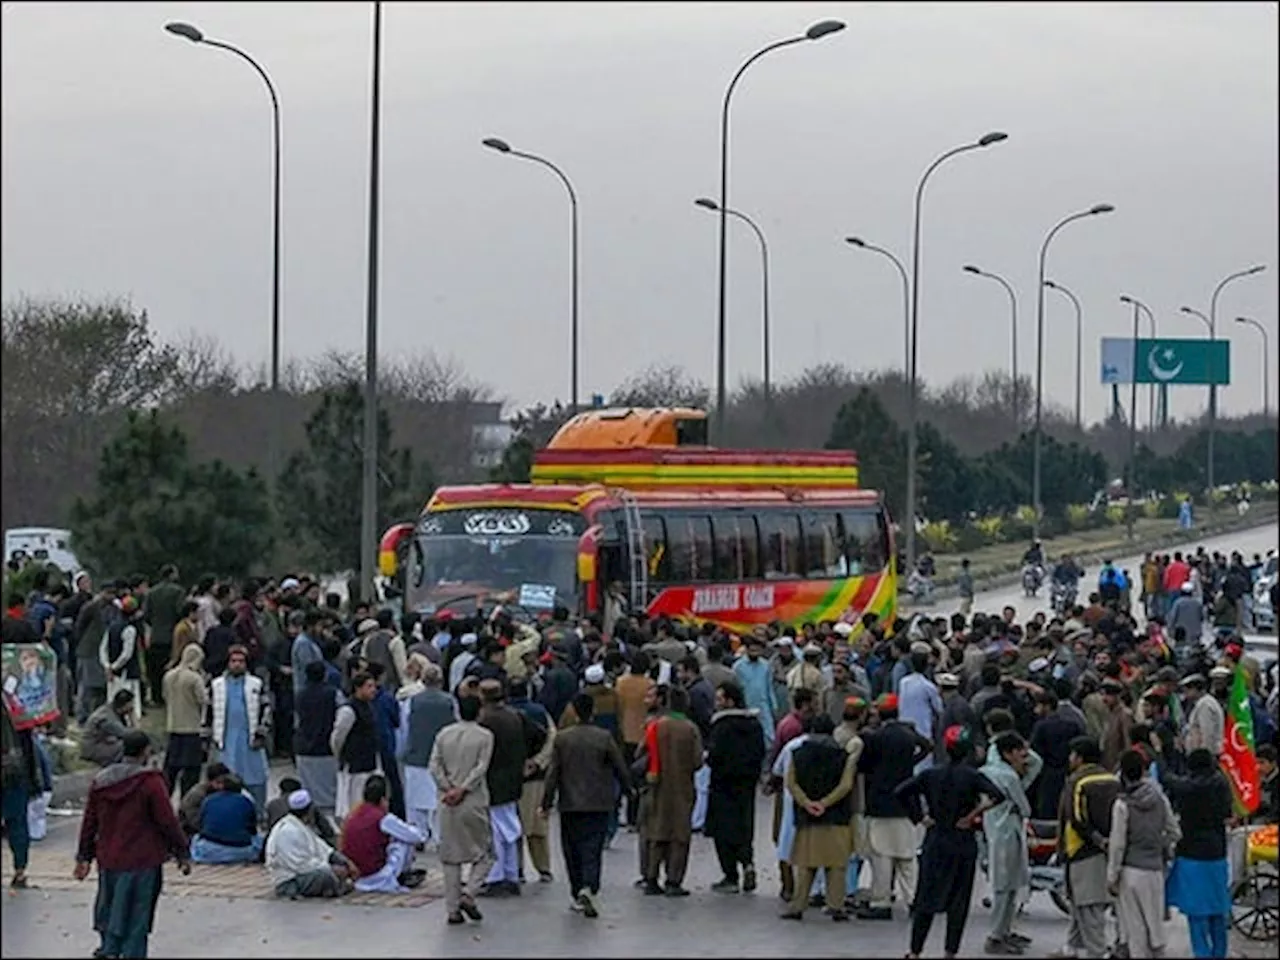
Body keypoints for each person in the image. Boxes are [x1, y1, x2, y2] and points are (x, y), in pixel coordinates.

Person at [73, 730, 191, 959]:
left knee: (110, 908)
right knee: (137, 916)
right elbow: (167, 821)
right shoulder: (150, 782)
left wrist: (83, 856)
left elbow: (90, 822)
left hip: (109, 859)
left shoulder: (101, 781)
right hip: (143, 859)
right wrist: (182, 852)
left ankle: (109, 949)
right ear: (145, 751)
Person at [897, 725, 1003, 960]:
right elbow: (998, 795)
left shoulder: (930, 774)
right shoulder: (973, 776)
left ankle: (915, 951)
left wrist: (920, 817)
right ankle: (950, 951)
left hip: (936, 838)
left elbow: (902, 791)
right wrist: (974, 813)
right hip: (962, 841)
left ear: (946, 747)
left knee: (926, 897)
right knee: (959, 899)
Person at [540, 691, 630, 917]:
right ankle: (590, 887)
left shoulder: (563, 738)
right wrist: (630, 790)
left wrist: (546, 802)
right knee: (593, 848)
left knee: (572, 849)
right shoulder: (604, 737)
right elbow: (619, 766)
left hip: (570, 803)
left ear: (574, 711)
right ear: (594, 711)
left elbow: (553, 773)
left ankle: (578, 889)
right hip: (599, 801)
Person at [857, 692, 933, 920]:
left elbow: (863, 766)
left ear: (880, 713)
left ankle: (881, 902)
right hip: (905, 802)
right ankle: (913, 900)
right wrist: (911, 762)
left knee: (881, 856)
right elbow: (928, 746)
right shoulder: (908, 735)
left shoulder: (874, 737)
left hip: (879, 801)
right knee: (907, 856)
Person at [779, 714, 857, 922]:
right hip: (836, 817)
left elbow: (790, 783)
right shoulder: (842, 755)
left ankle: (798, 905)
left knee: (806, 865)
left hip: (807, 818)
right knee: (837, 866)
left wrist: (807, 803)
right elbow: (846, 785)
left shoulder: (797, 754)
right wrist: (825, 803)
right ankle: (836, 905)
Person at [1161, 747, 1234, 959]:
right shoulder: (1222, 784)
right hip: (1217, 853)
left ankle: (1202, 953)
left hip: (1192, 855)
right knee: (1217, 910)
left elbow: (1169, 779)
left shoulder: (1190, 788)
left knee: (1197, 913)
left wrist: (1160, 752)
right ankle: (1219, 953)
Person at [1107, 749, 1180, 960]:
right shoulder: (1160, 799)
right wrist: (1158, 844)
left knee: (1135, 929)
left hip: (1130, 871)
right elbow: (1175, 832)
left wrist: (1112, 876)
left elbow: (1117, 844)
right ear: (1143, 771)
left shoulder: (1122, 805)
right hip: (1155, 870)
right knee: (1155, 927)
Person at [428, 694, 494, 926]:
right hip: (473, 801)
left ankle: (452, 910)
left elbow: (434, 765)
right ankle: (470, 892)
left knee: (451, 857)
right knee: (485, 852)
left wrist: (448, 787)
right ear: (479, 712)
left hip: (446, 801)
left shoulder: (443, 734)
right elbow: (481, 767)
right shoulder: (485, 736)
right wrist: (463, 789)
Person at [1058, 736, 1121, 960]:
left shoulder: (1078, 781)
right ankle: (1071, 948)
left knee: (1088, 906)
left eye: (1072, 755)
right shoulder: (1112, 779)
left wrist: (1095, 838)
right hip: (1109, 847)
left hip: (1082, 849)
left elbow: (1075, 818)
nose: (1069, 759)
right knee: (1080, 903)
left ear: (1080, 758)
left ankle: (1099, 952)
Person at [981, 731, 1044, 954]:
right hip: (1008, 832)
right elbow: (1025, 807)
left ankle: (1003, 931)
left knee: (1006, 885)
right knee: (1005, 888)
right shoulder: (1009, 777)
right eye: (1020, 752)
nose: (1024, 756)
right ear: (1008, 753)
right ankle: (997, 934)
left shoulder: (989, 771)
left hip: (996, 832)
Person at [705, 681, 766, 894]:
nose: (716, 703)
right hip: (746, 785)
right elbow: (761, 752)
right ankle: (748, 863)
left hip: (723, 785)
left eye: (720, 699)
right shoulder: (754, 725)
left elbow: (714, 756)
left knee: (723, 831)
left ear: (730, 701)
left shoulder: (721, 727)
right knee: (744, 827)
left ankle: (730, 876)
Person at [642, 684, 703, 897]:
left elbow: (643, 751)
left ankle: (651, 877)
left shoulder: (655, 725)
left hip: (657, 786)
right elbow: (697, 762)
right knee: (679, 836)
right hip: (682, 788)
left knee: (657, 832)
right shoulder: (690, 728)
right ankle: (673, 881)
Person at [477, 678, 529, 897]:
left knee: (494, 832)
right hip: (513, 779)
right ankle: (512, 875)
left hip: (492, 781)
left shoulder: (485, 720)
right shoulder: (515, 716)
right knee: (509, 827)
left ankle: (496, 876)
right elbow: (539, 735)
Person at [208, 645, 271, 816]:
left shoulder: (256, 684)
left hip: (250, 740)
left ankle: (258, 814)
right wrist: (206, 736)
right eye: (234, 661)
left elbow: (266, 709)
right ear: (228, 663)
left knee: (256, 778)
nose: (237, 665)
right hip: (226, 739)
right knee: (226, 779)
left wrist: (261, 733)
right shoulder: (216, 685)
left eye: (241, 661)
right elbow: (208, 712)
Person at [338, 774, 427, 893]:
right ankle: (401, 874)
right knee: (403, 841)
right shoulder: (383, 818)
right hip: (374, 873)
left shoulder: (353, 813)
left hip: (354, 872)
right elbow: (417, 837)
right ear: (383, 799)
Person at [399, 660, 455, 847]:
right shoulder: (450, 701)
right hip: (442, 758)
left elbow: (405, 729)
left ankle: (419, 835)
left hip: (416, 756)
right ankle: (440, 837)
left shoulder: (411, 702)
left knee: (415, 802)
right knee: (438, 800)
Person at [508, 676, 556, 882]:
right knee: (537, 827)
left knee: (512, 828)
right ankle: (543, 868)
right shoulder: (539, 712)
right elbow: (552, 738)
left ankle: (516, 869)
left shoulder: (504, 714)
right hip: (535, 778)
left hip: (509, 778)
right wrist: (538, 762)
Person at [265, 789, 352, 900]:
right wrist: (331, 868)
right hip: (290, 881)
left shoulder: (300, 826)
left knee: (335, 870)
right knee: (326, 876)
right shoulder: (288, 831)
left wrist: (344, 861)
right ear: (309, 811)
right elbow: (302, 866)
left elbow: (323, 848)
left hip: (303, 872)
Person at [331, 671, 381, 823]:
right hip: (354, 765)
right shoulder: (348, 710)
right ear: (358, 688)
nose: (373, 690)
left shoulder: (369, 707)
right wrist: (341, 756)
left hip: (368, 762)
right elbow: (337, 738)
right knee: (353, 804)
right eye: (369, 686)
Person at [294, 659, 340, 822]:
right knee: (331, 795)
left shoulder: (300, 694)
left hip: (304, 748)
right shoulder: (333, 693)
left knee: (310, 792)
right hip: (326, 748)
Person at [161, 644, 208, 800]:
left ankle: (165, 799)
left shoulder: (168, 676)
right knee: (191, 771)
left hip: (173, 726)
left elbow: (165, 696)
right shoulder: (194, 678)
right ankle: (186, 801)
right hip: (191, 728)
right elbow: (203, 700)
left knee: (170, 770)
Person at [2, 701, 38, 889]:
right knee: (17, 823)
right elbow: (29, 748)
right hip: (15, 774)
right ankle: (20, 870)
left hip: (13, 775)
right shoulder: (17, 707)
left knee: (17, 823)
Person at [190, 773, 263, 864]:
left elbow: (200, 825)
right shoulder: (247, 802)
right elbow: (252, 830)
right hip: (241, 851)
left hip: (209, 851)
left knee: (195, 838)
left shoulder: (209, 800)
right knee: (259, 839)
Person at [143, 565, 185, 708]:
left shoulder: (151, 592)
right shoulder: (178, 592)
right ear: (171, 575)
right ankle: (170, 696)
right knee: (171, 666)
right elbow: (180, 611)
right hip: (172, 635)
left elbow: (146, 615)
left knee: (155, 670)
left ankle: (156, 697)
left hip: (155, 636)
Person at [80, 689, 135, 767]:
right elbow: (129, 735)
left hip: (101, 743)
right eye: (130, 705)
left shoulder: (112, 710)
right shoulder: (107, 717)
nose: (132, 707)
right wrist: (132, 718)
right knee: (128, 745)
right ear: (124, 706)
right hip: (92, 748)